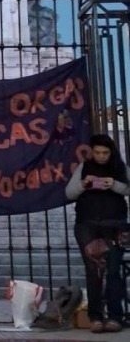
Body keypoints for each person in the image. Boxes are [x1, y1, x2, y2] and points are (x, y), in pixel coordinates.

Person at [65, 133, 129, 334]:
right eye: (98, 152)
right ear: (92, 152)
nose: (101, 156)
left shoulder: (119, 167)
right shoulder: (84, 168)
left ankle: (115, 316)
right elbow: (69, 193)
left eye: (105, 152)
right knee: (93, 271)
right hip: (87, 224)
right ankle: (95, 317)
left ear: (111, 152)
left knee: (112, 271)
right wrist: (84, 184)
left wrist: (114, 184)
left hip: (115, 224)